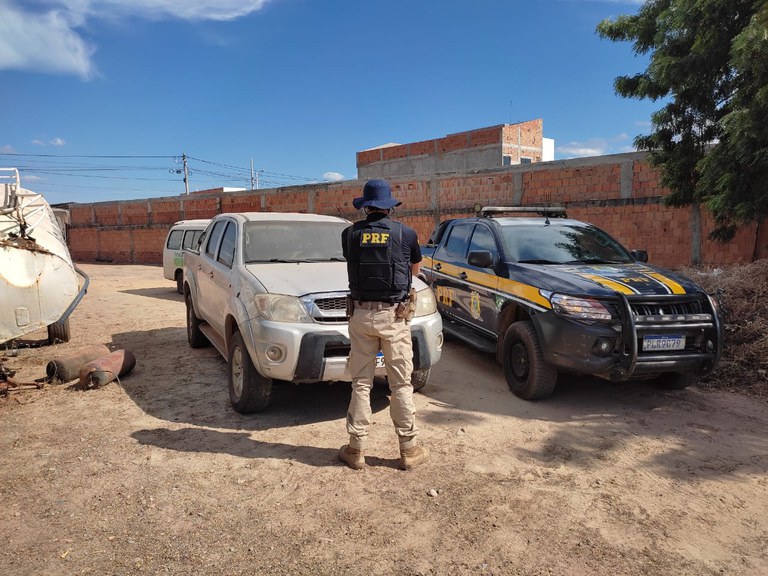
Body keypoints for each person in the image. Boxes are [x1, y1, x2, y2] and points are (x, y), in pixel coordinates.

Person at [339, 179, 430, 471]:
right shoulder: (406, 233)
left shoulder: (350, 234)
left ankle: (356, 449)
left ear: (365, 206)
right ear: (389, 207)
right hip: (394, 316)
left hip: (361, 316)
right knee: (401, 384)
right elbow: (415, 267)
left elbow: (353, 261)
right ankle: (409, 449)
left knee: (361, 384)